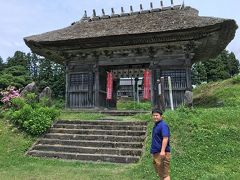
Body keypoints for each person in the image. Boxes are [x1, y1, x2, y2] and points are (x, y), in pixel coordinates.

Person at [151, 109, 171, 180]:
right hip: (156, 153)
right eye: (153, 115)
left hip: (162, 153)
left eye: (157, 115)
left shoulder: (163, 125)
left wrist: (162, 151)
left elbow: (165, 138)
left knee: (165, 175)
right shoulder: (156, 125)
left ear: (161, 116)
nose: (155, 117)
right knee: (161, 173)